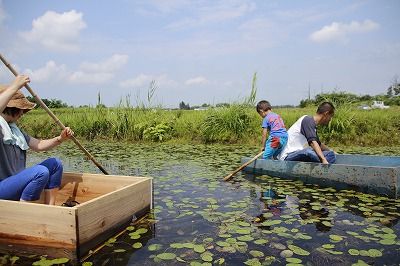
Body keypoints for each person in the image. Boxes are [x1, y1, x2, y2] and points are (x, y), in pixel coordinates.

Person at [0, 75, 73, 205]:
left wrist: (60, 138)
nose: (22, 114)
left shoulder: (15, 131)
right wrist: (15, 86)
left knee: (55, 164)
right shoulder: (1, 129)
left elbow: (39, 145)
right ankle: (25, 212)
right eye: (22, 110)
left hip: (16, 183)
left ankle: (51, 208)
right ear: (12, 108)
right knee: (41, 172)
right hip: (3, 188)